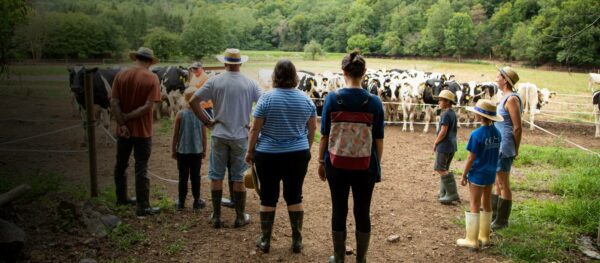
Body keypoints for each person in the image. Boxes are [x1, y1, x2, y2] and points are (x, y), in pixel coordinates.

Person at [318, 51, 385, 263]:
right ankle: (361, 259)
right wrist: (376, 166)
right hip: (365, 167)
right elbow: (379, 141)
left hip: (336, 165)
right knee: (362, 212)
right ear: (364, 73)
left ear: (343, 72)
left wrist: (321, 162)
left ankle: (338, 258)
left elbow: (324, 136)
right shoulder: (374, 102)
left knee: (339, 210)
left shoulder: (332, 98)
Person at [245, 59, 317, 253]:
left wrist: (250, 152)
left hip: (268, 155)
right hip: (298, 154)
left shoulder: (266, 99)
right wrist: (306, 148)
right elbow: (312, 128)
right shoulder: (306, 99)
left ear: (275, 76)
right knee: (295, 196)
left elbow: (255, 129)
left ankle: (265, 241)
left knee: (268, 197)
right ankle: (296, 241)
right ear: (295, 77)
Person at [189, 48, 262, 229]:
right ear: (240, 64)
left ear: (224, 63)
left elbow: (192, 101)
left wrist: (207, 122)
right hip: (240, 136)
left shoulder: (215, 81)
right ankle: (239, 217)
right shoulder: (250, 83)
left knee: (216, 176)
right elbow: (264, 105)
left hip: (219, 134)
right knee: (238, 178)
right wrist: (253, 125)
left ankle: (216, 217)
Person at [111, 47, 161, 217]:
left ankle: (121, 198)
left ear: (137, 58)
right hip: (143, 131)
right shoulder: (152, 78)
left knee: (121, 164)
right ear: (149, 61)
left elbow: (114, 101)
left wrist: (122, 122)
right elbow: (148, 106)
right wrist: (131, 116)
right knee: (141, 167)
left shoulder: (121, 75)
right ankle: (143, 206)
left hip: (123, 130)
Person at [457, 99, 502, 249]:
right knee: (486, 202)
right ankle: (484, 236)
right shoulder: (497, 133)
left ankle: (472, 240)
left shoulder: (476, 134)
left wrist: (464, 175)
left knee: (474, 203)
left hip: (477, 174)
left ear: (480, 116)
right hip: (490, 173)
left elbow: (471, 157)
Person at [492, 66, 522, 230]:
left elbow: (517, 127)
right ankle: (495, 215)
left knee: (503, 183)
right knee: (498, 182)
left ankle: (502, 220)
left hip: (505, 145)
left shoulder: (511, 99)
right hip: (500, 144)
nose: (496, 78)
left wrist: (515, 149)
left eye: (499, 76)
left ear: (505, 80)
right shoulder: (505, 97)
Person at [171, 87, 208, 210]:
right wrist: (204, 149)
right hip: (197, 151)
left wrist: (173, 150)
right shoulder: (201, 114)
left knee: (183, 176)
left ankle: (181, 202)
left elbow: (175, 135)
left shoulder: (180, 114)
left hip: (182, 151)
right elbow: (204, 136)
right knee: (195, 176)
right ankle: (197, 201)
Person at [433, 90, 460, 204]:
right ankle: (444, 192)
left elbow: (443, 131)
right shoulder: (452, 113)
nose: (439, 101)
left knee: (440, 168)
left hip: (444, 145)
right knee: (444, 168)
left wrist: (435, 142)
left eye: (441, 100)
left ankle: (452, 193)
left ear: (447, 102)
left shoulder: (445, 114)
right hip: (452, 145)